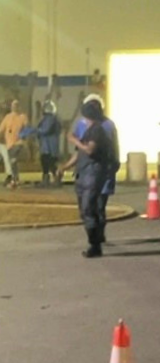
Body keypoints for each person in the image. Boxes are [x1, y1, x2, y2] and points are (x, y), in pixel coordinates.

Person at [61, 98, 115, 258]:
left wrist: (73, 139)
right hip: (83, 173)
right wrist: (65, 166)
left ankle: (95, 244)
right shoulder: (88, 130)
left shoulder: (97, 131)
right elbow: (80, 153)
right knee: (85, 211)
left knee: (88, 208)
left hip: (93, 173)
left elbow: (89, 150)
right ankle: (96, 237)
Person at [0, 99, 28, 188]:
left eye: (4, 105)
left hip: (8, 142)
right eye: (1, 105)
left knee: (9, 160)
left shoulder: (15, 116)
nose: (2, 107)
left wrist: (23, 138)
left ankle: (11, 177)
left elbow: (24, 128)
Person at [33, 101, 62, 186]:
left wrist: (35, 131)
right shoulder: (54, 118)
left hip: (48, 146)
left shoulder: (50, 119)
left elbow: (45, 130)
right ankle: (53, 179)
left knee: (48, 162)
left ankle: (53, 179)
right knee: (49, 163)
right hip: (49, 146)